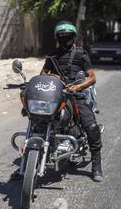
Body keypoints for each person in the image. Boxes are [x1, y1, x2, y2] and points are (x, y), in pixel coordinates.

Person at [42, 21, 104, 182]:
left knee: (91, 126)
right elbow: (42, 75)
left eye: (68, 35)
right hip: (56, 95)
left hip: (75, 95)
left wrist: (77, 87)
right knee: (37, 120)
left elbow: (92, 78)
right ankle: (27, 162)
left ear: (73, 36)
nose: (65, 38)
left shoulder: (81, 54)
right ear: (57, 37)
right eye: (61, 36)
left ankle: (96, 164)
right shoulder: (52, 55)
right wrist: (51, 77)